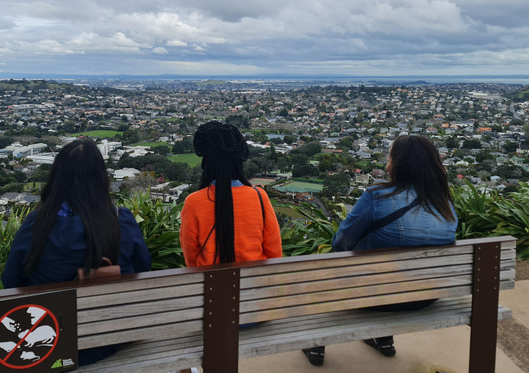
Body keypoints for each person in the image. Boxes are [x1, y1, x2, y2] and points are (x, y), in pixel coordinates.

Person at [302, 135, 458, 367]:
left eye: (389, 157)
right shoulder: (445, 205)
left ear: (398, 164)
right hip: (426, 296)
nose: (387, 162)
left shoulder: (378, 196)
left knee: (322, 271)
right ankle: (383, 339)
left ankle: (316, 343)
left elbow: (341, 244)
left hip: (377, 295)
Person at [2, 138, 151, 366]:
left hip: (48, 344)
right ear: (100, 177)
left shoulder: (37, 224)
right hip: (107, 341)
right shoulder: (121, 221)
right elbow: (142, 271)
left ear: (58, 177)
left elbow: (11, 280)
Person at [180, 121, 282, 268]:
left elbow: (191, 258)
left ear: (207, 161)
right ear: (238, 160)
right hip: (255, 284)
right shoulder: (260, 197)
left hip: (212, 285)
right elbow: (274, 253)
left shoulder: (193, 202)